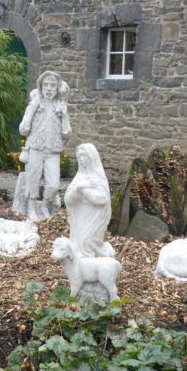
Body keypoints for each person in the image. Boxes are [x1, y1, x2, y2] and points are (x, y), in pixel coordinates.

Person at [19, 71, 71, 220]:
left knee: (54, 184)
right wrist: (32, 109)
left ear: (57, 88)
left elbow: (66, 134)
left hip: (53, 150)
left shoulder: (60, 107)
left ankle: (44, 205)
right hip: (35, 148)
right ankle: (31, 209)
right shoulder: (34, 105)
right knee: (33, 179)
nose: (49, 88)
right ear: (40, 87)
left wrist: (64, 115)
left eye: (52, 85)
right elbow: (23, 130)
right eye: (45, 85)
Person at [64, 143, 115, 258]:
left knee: (87, 242)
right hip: (80, 216)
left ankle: (88, 261)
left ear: (91, 157)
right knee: (79, 243)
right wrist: (78, 188)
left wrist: (85, 191)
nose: (81, 160)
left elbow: (102, 200)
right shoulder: (79, 177)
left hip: (94, 217)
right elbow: (68, 200)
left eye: (83, 156)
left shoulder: (98, 177)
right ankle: (82, 262)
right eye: (79, 157)